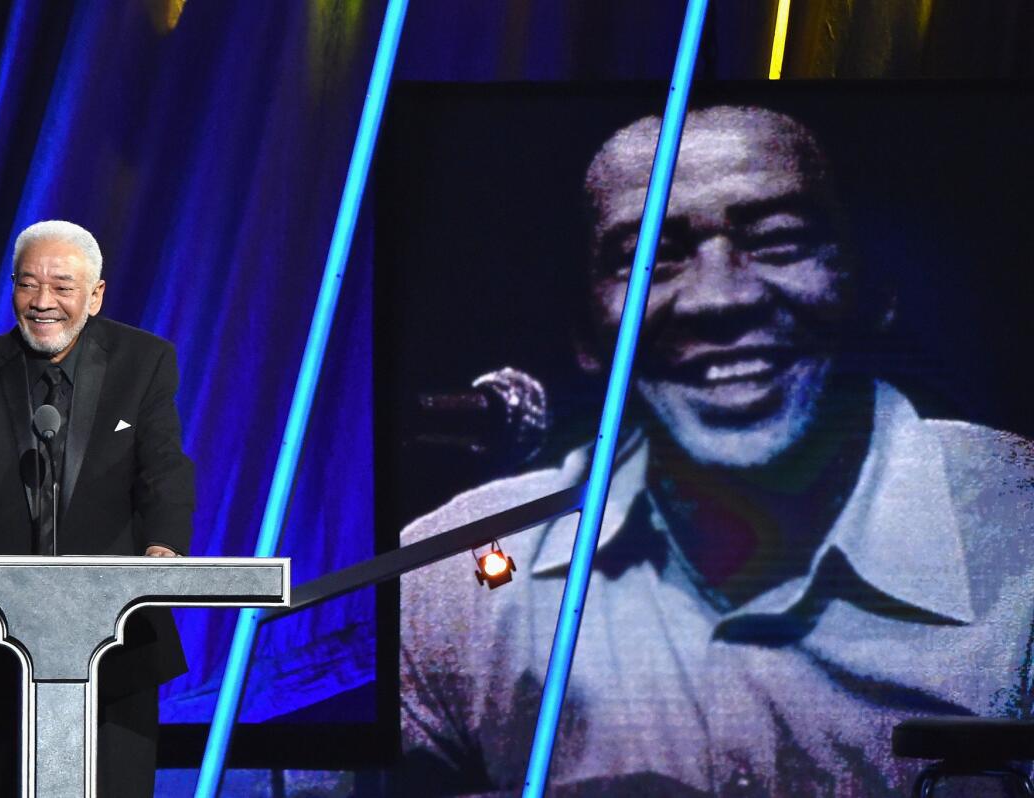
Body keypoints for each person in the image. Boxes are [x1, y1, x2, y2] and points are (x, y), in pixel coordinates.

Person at [398, 106, 1034, 796]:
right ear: (586, 338)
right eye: (649, 259)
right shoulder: (456, 568)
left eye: (780, 241)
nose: (720, 298)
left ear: (872, 291)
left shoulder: (1019, 531)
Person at [0, 220, 195, 797]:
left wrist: (163, 550)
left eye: (62, 287)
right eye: (28, 284)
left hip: (115, 647)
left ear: (95, 295)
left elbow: (162, 466)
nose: (43, 303)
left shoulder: (145, 361)